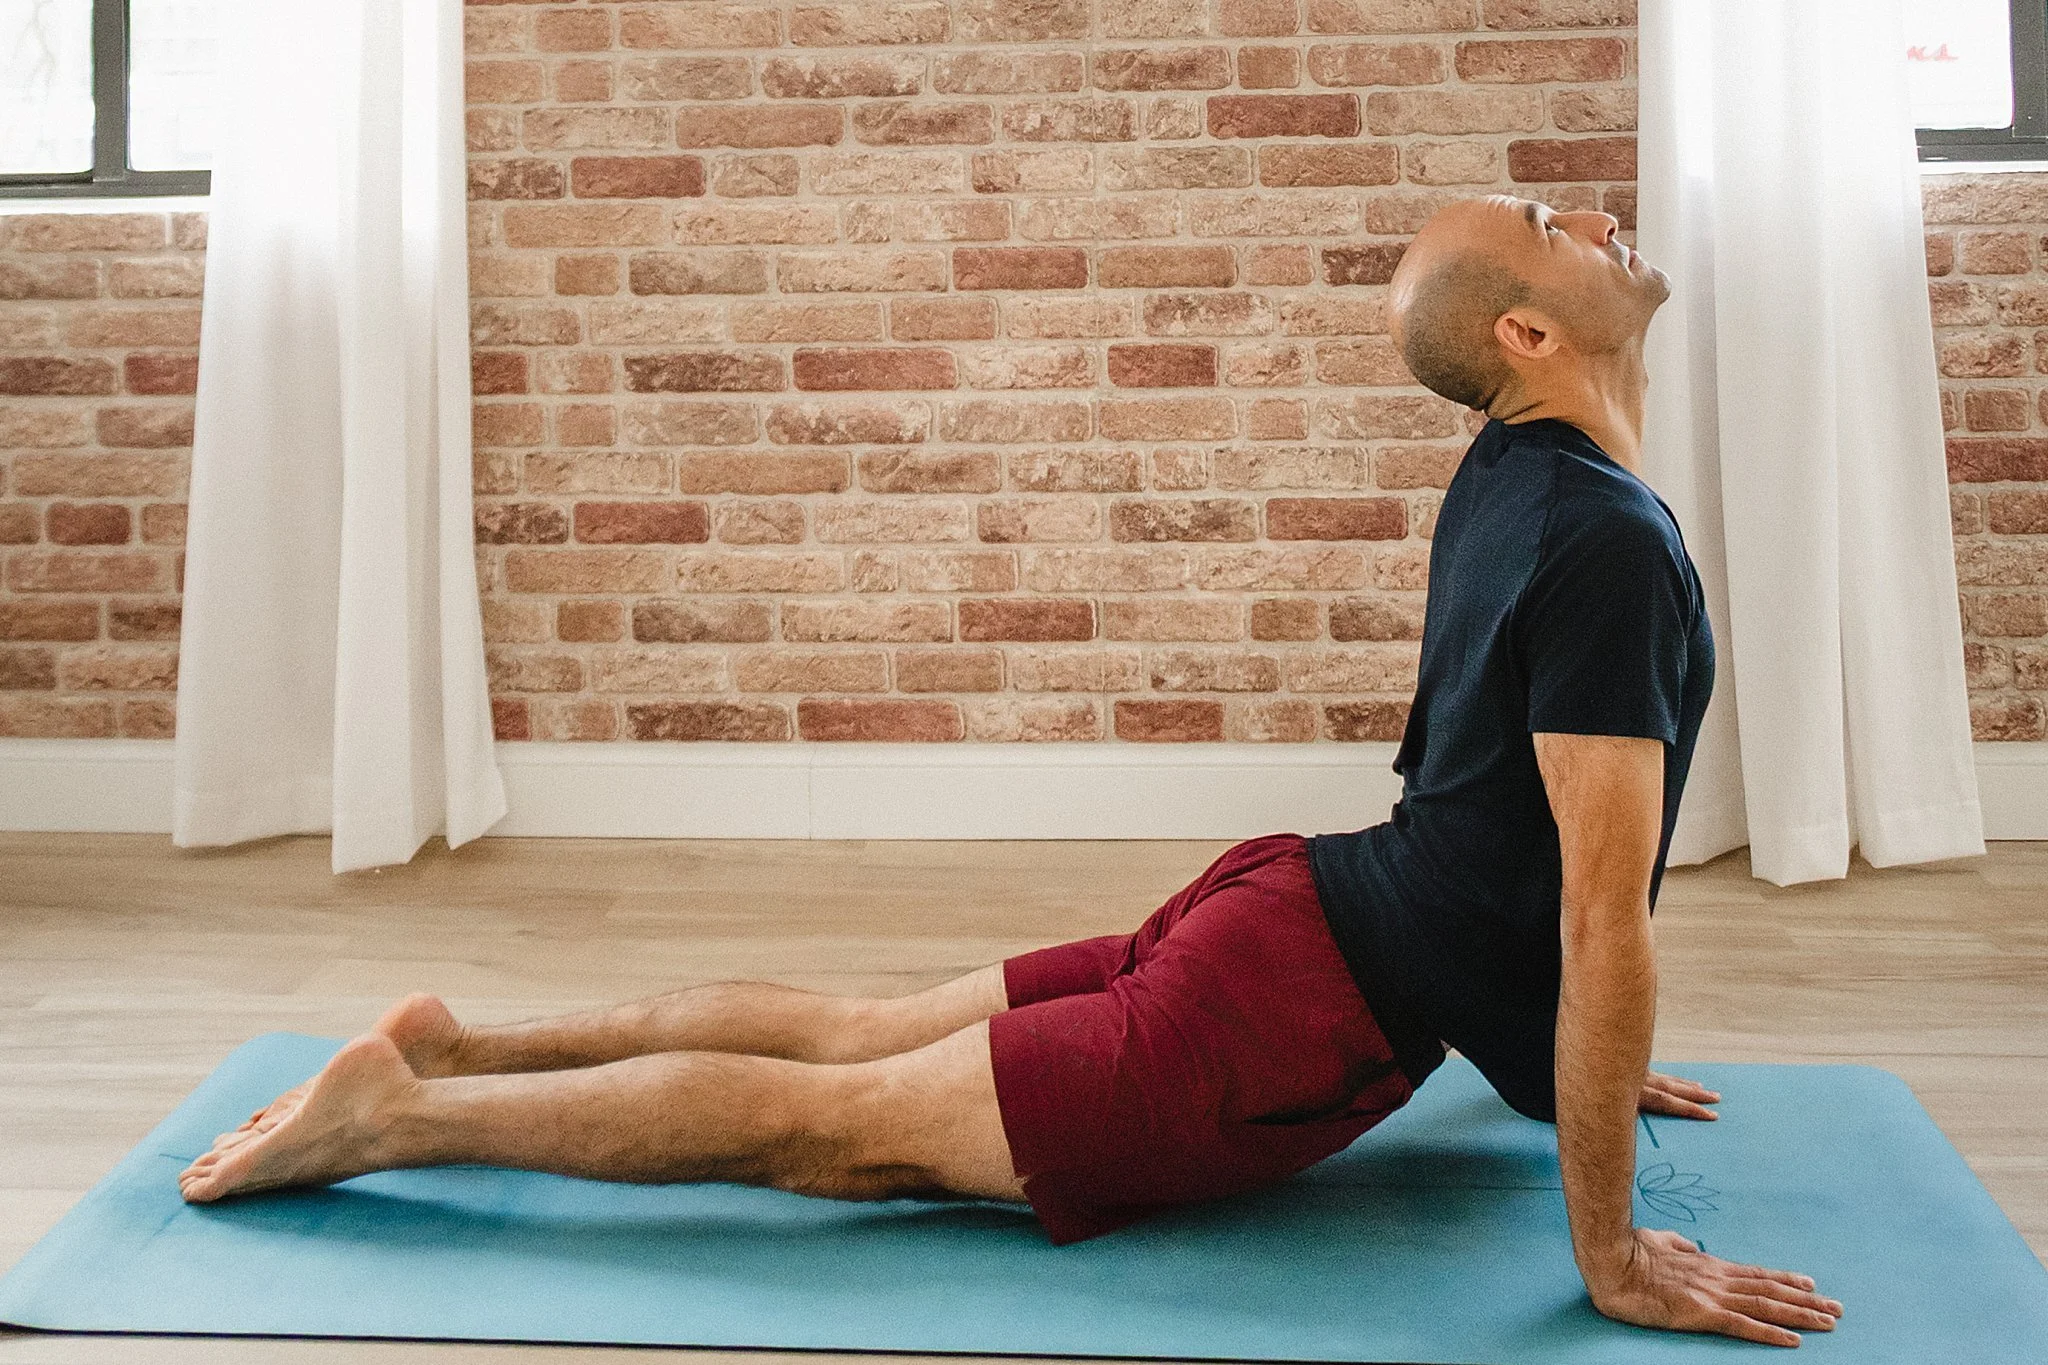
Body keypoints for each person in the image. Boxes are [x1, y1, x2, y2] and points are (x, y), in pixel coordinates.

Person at [179, 195, 1843, 1348]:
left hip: (1279, 912)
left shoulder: (1511, 473)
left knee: (850, 1030)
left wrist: (1567, 1062)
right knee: (836, 1133)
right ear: (1536, 330)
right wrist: (1608, 1247)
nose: (1591, 211)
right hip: (1279, 1007)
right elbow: (1597, 918)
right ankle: (400, 1115)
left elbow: (1485, 825)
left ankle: (468, 1045)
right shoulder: (1601, 538)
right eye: (1550, 227)